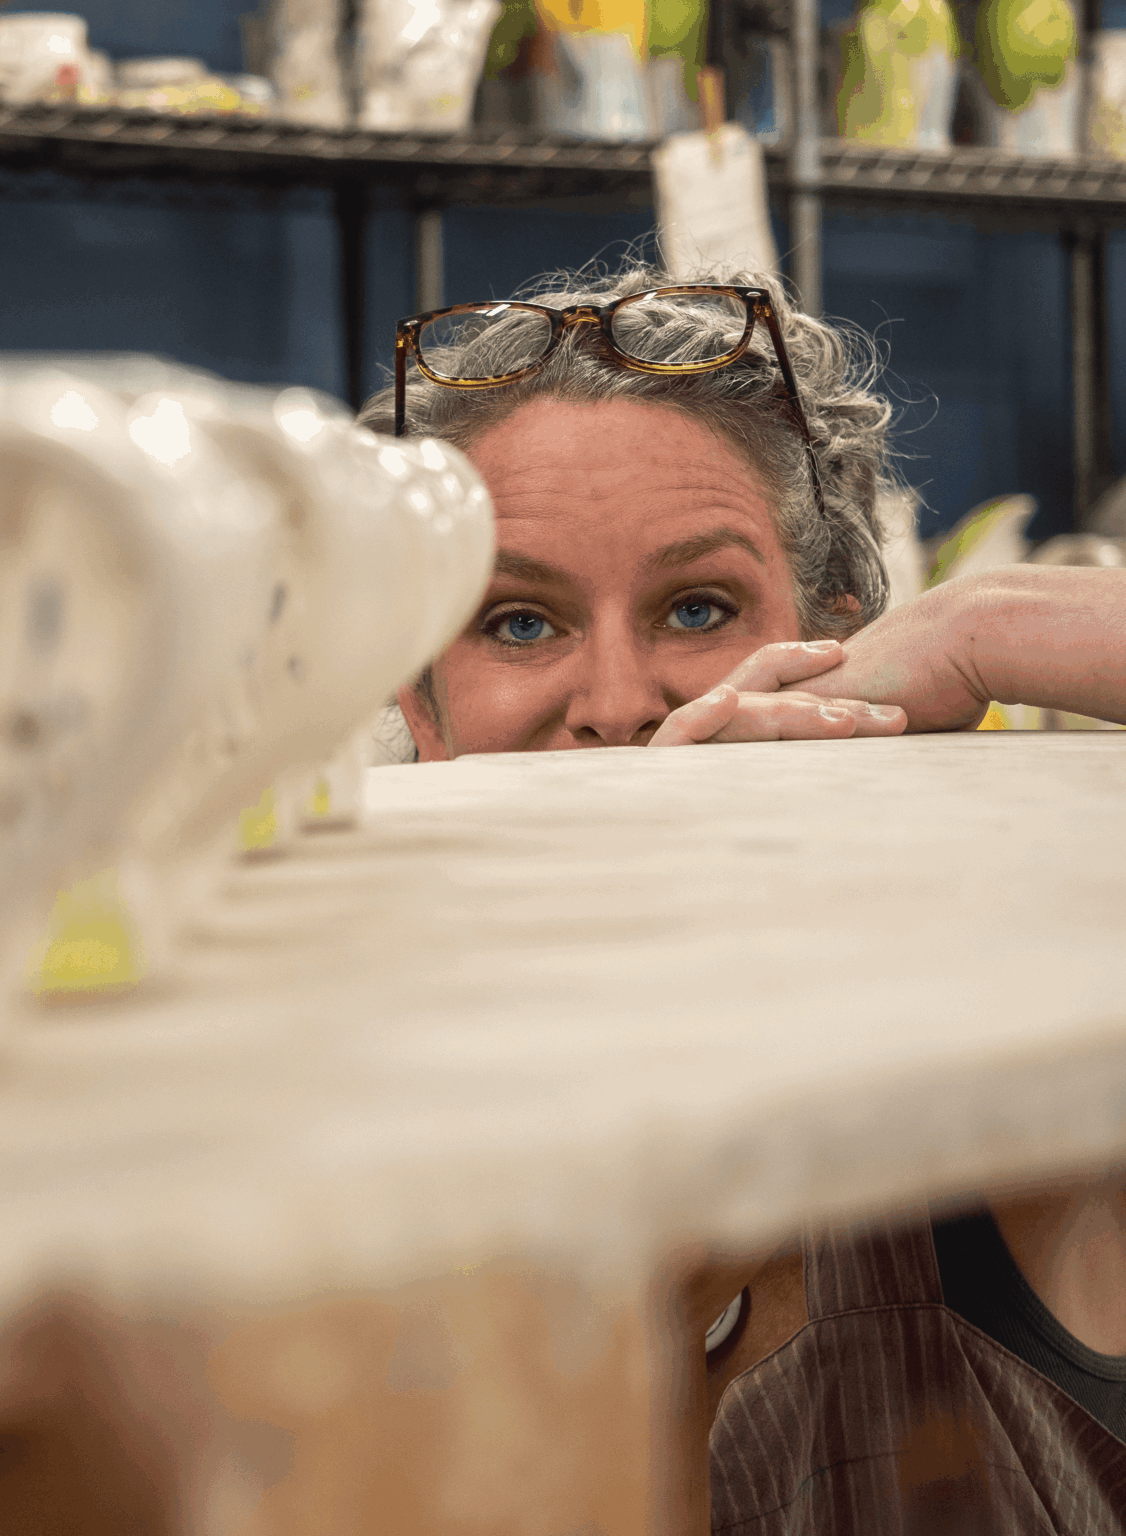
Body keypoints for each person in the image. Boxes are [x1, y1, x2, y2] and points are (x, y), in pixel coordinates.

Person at [358, 265, 1126, 1530]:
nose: (616, 703)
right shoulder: (341, 1109)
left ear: (838, 644)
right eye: (518, 623)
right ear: (418, 706)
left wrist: (991, 624)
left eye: (697, 607)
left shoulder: (997, 1035)